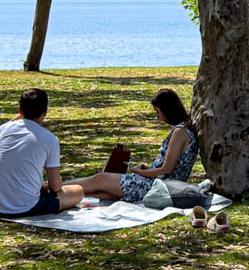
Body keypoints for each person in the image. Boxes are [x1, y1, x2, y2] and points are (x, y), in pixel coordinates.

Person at [57, 88, 201, 209]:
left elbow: (166, 171)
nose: (158, 117)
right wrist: (147, 169)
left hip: (159, 186)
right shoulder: (186, 129)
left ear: (167, 110)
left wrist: (141, 172)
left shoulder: (179, 132)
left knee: (99, 179)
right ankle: (61, 195)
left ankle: (56, 188)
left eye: (158, 112)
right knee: (104, 192)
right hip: (160, 184)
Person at [0, 89, 65, 217]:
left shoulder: (5, 128)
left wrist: (15, 119)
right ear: (45, 112)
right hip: (25, 207)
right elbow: (56, 187)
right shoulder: (49, 139)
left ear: (20, 110)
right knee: (78, 192)